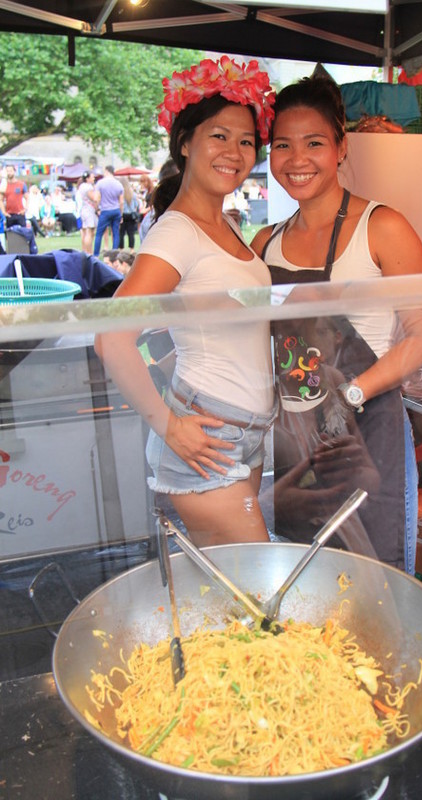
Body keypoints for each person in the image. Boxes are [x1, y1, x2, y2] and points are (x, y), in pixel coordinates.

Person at [252, 76, 422, 572]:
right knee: (301, 577)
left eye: (314, 143)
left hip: (368, 433)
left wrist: (351, 393)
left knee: (374, 581)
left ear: (341, 147)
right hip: (293, 443)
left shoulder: (383, 227)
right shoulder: (264, 243)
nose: (297, 159)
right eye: (282, 145)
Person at [95, 56, 276, 547]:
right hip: (209, 437)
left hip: (247, 434)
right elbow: (111, 337)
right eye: (219, 135)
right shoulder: (177, 232)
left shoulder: (227, 225)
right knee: (257, 583)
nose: (234, 152)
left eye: (246, 141)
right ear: (185, 143)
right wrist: (168, 425)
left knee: (226, 580)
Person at [93, 165, 124, 255]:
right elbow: (121, 202)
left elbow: (96, 199)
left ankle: (96, 254)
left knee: (99, 233)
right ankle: (114, 254)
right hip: (116, 210)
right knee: (115, 233)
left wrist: (97, 209)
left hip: (105, 210)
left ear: (106, 171)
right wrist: (121, 214)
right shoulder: (119, 184)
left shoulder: (100, 183)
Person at [76, 171, 99, 254]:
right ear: (87, 178)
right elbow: (94, 198)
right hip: (89, 211)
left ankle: (86, 250)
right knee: (89, 232)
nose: (94, 179)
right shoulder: (88, 187)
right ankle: (89, 252)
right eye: (92, 177)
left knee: (86, 232)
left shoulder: (81, 186)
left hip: (84, 210)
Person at [117, 176, 140, 249]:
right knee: (131, 233)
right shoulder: (132, 193)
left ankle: (121, 248)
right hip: (131, 215)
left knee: (121, 233)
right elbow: (136, 205)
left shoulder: (119, 193)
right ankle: (132, 249)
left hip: (122, 214)